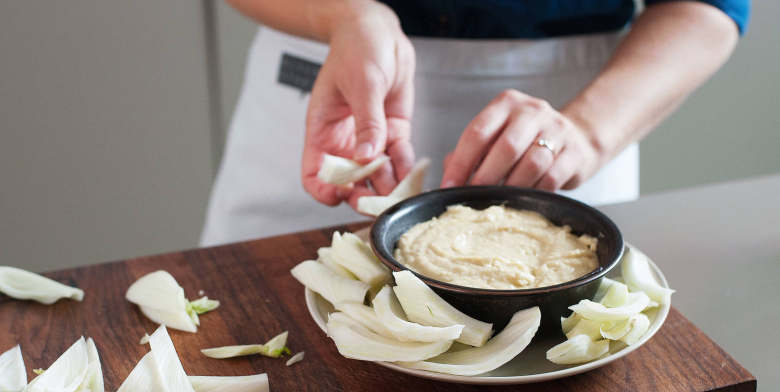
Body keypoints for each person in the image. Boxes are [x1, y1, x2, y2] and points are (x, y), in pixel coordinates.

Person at [200, 0, 749, 246]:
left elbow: (708, 4)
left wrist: (585, 132)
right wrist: (344, 14)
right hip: (330, 78)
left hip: (568, 116)